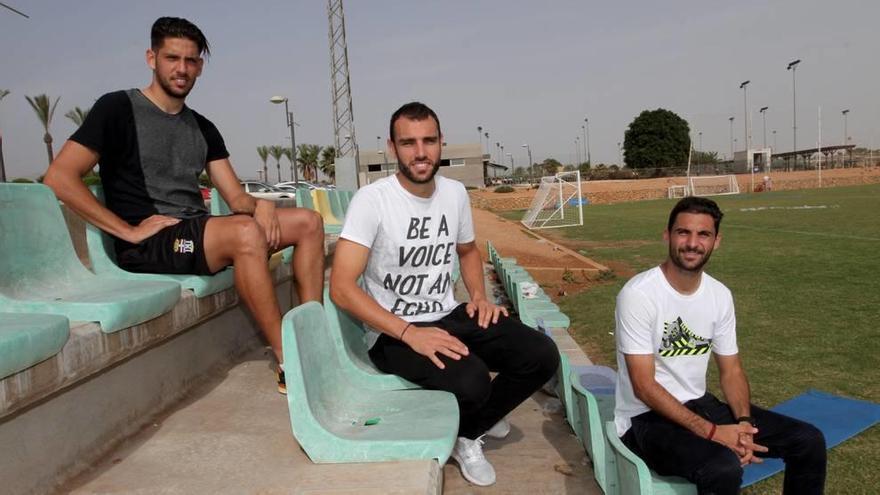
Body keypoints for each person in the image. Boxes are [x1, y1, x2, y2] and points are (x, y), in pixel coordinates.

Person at [43, 17, 325, 393]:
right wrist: (128, 230)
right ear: (151, 58)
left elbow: (236, 197)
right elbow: (60, 177)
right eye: (172, 57)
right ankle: (290, 361)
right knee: (244, 234)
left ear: (200, 67)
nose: (182, 69)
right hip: (151, 242)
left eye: (190, 61)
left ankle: (313, 339)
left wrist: (264, 206)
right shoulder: (117, 108)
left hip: (195, 234)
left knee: (308, 221)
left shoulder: (202, 127)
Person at [329, 102, 559, 487]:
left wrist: (479, 298)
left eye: (429, 141)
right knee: (472, 382)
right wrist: (409, 333)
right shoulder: (372, 201)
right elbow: (341, 286)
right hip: (392, 331)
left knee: (541, 354)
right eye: (408, 142)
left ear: (441, 143)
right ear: (392, 148)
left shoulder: (453, 193)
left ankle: (468, 428)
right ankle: (476, 423)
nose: (420, 152)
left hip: (448, 312)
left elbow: (467, 250)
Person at [613, 196, 826, 494]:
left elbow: (732, 370)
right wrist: (714, 433)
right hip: (644, 419)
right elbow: (643, 386)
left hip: (700, 404)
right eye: (683, 232)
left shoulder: (719, 295)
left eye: (703, 234)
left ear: (716, 242)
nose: (692, 243)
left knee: (808, 440)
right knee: (721, 467)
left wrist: (744, 426)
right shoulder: (639, 294)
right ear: (667, 235)